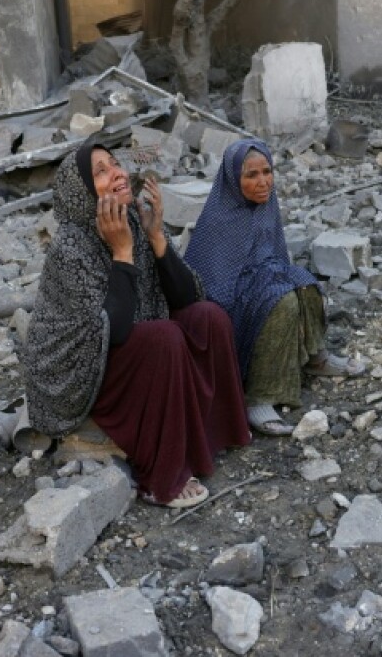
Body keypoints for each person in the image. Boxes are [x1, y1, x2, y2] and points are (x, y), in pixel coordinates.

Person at [21, 141, 250, 509]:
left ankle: (209, 437)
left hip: (127, 350)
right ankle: (160, 479)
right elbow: (113, 332)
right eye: (101, 171)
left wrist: (157, 237)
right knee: (164, 337)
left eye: (116, 164)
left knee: (209, 318)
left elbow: (187, 298)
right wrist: (122, 253)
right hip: (80, 375)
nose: (118, 173)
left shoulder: (131, 221)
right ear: (81, 190)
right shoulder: (71, 248)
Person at [184, 139, 364, 437]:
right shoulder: (220, 218)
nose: (263, 182)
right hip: (228, 299)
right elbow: (212, 285)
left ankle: (315, 357)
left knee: (304, 283)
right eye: (251, 175)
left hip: (260, 279)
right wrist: (265, 288)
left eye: (267, 172)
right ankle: (260, 396)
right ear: (233, 178)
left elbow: (275, 253)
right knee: (280, 302)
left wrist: (278, 278)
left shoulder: (266, 205)